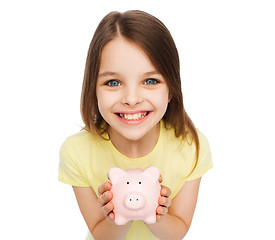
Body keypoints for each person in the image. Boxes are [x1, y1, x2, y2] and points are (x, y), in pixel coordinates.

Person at [58, 10, 212, 240]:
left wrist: (155, 212)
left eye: (150, 81)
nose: (131, 98)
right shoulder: (77, 151)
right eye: (113, 82)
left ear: (171, 89)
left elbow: (178, 231)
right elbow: (101, 233)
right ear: (93, 89)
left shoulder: (191, 146)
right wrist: (117, 212)